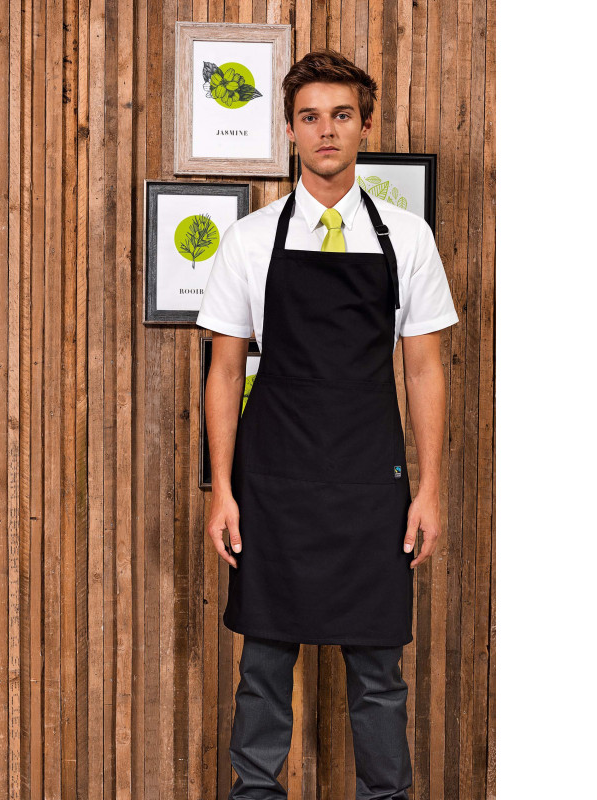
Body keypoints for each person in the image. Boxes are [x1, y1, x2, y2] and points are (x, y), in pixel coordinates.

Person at [196, 49, 459, 800]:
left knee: (378, 673)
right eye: (310, 117)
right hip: (273, 481)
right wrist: (223, 492)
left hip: (371, 481)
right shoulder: (250, 240)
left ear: (365, 126)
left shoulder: (407, 238)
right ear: (290, 130)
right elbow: (224, 372)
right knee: (263, 668)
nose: (326, 131)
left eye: (341, 115)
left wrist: (429, 490)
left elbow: (424, 370)